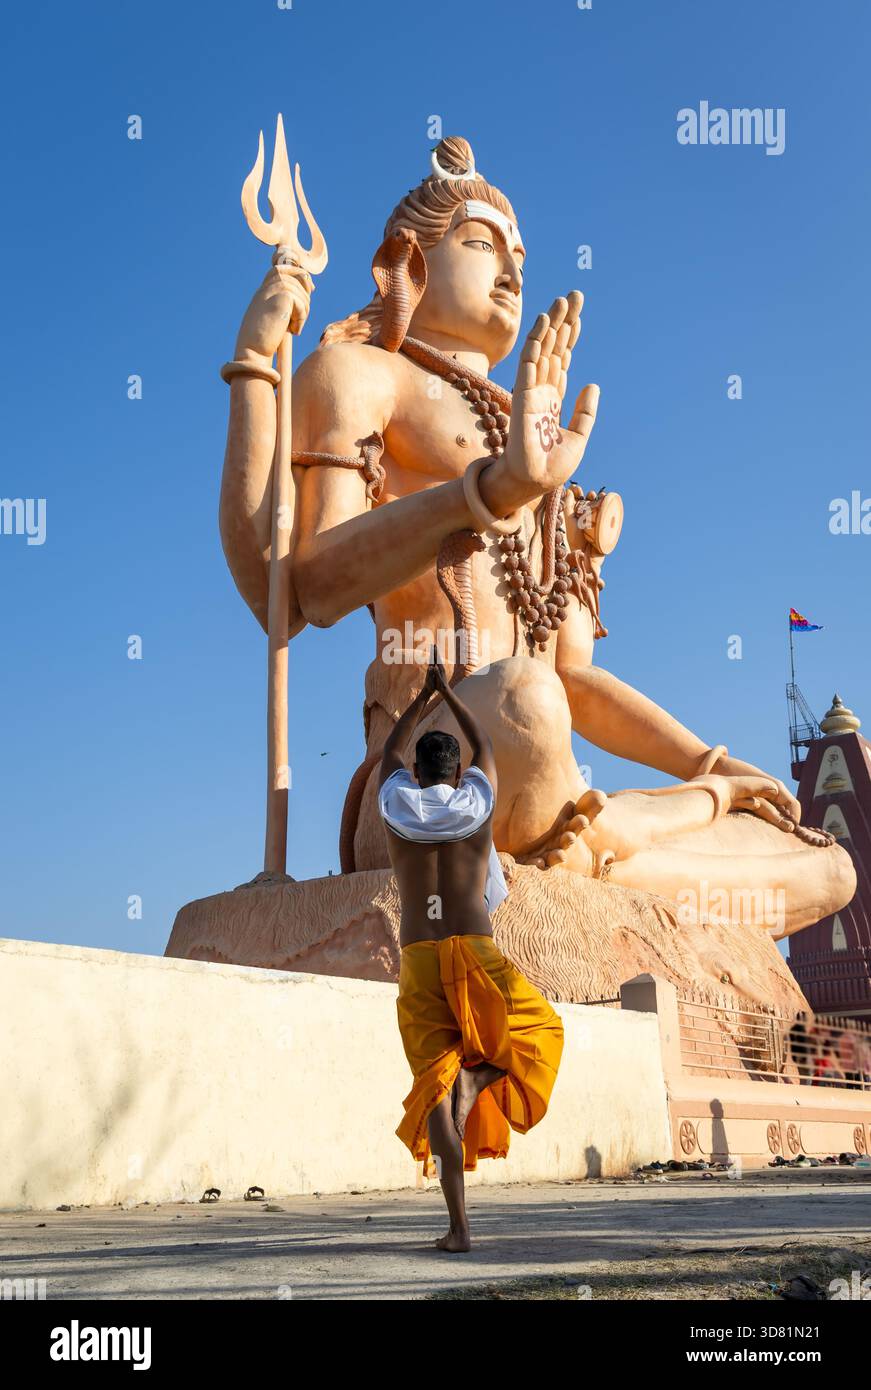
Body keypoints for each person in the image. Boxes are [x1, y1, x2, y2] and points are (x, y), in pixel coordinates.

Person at [378, 651, 564, 1252]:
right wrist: (450, 692)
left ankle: (459, 1228)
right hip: (475, 950)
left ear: (414, 773)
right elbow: (483, 743)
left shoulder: (395, 804)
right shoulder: (477, 803)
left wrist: (420, 701)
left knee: (435, 1085)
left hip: (420, 958)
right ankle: (481, 1074)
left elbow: (387, 755)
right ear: (459, 775)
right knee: (543, 1029)